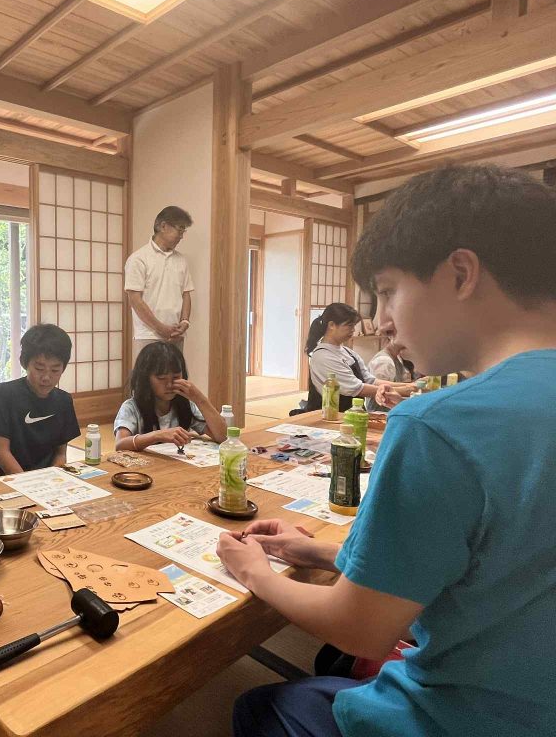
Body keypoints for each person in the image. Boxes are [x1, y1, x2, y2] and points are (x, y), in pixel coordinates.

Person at [217, 164, 556, 737]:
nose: (381, 320)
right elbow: (493, 565)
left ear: (461, 274)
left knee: (260, 707)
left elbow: (361, 629)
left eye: (387, 291)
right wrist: (320, 553)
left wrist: (257, 573)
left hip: (463, 718)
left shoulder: (439, 424)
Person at [0, 324, 80, 475]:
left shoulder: (64, 401)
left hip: (46, 480)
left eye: (55, 370)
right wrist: (28, 482)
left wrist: (53, 478)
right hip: (5, 478)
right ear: (25, 363)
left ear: (63, 368)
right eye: (39, 368)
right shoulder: (5, 394)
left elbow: (60, 454)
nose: (46, 377)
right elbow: (0, 452)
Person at [114, 341, 227, 451]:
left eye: (176, 377)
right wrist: (157, 435)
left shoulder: (185, 405)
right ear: (146, 379)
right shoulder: (131, 407)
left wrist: (199, 398)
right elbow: (120, 444)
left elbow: (224, 437)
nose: (169, 385)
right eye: (162, 378)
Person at [304, 302, 412, 412]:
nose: (353, 330)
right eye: (349, 325)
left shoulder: (348, 352)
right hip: (330, 415)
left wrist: (409, 387)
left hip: (353, 413)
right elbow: (357, 388)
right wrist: (406, 390)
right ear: (332, 325)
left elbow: (370, 380)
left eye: (354, 326)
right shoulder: (323, 356)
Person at [124, 205, 195, 363]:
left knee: (176, 377)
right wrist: (161, 328)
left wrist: (185, 321)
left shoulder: (181, 260)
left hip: (176, 335)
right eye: (180, 230)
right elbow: (135, 300)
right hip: (148, 336)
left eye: (183, 232)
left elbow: (186, 294)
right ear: (163, 226)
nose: (181, 237)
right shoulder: (138, 259)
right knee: (148, 378)